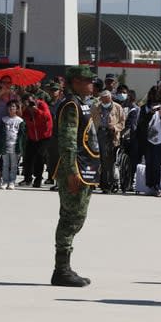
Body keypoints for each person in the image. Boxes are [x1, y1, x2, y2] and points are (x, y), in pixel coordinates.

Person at [51, 65, 100, 287]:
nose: (92, 84)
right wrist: (72, 172)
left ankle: (65, 268)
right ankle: (61, 270)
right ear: (76, 82)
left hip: (83, 168)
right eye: (88, 80)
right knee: (70, 219)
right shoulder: (71, 105)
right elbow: (68, 141)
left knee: (75, 218)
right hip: (75, 170)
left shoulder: (81, 103)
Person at [91, 90, 125, 194]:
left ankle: (107, 184)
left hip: (111, 135)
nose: (105, 101)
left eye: (107, 99)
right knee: (97, 159)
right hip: (98, 134)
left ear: (110, 98)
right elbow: (90, 120)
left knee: (108, 161)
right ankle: (96, 182)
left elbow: (122, 122)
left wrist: (114, 127)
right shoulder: (96, 107)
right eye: (103, 99)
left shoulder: (118, 107)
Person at [20, 92, 53, 188]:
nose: (30, 103)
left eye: (31, 101)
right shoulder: (26, 109)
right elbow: (24, 118)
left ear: (34, 99)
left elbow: (47, 117)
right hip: (32, 136)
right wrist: (25, 108)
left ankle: (38, 179)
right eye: (27, 102)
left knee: (40, 156)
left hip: (44, 136)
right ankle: (27, 178)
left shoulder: (42, 104)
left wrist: (36, 110)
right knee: (28, 156)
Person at [0, 100, 26, 190]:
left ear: (17, 109)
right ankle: (5, 181)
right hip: (5, 146)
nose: (11, 108)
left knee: (13, 165)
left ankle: (12, 181)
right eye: (9, 106)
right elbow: (0, 134)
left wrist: (21, 148)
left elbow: (23, 135)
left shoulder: (20, 121)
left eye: (13, 106)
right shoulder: (4, 119)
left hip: (15, 146)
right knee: (5, 164)